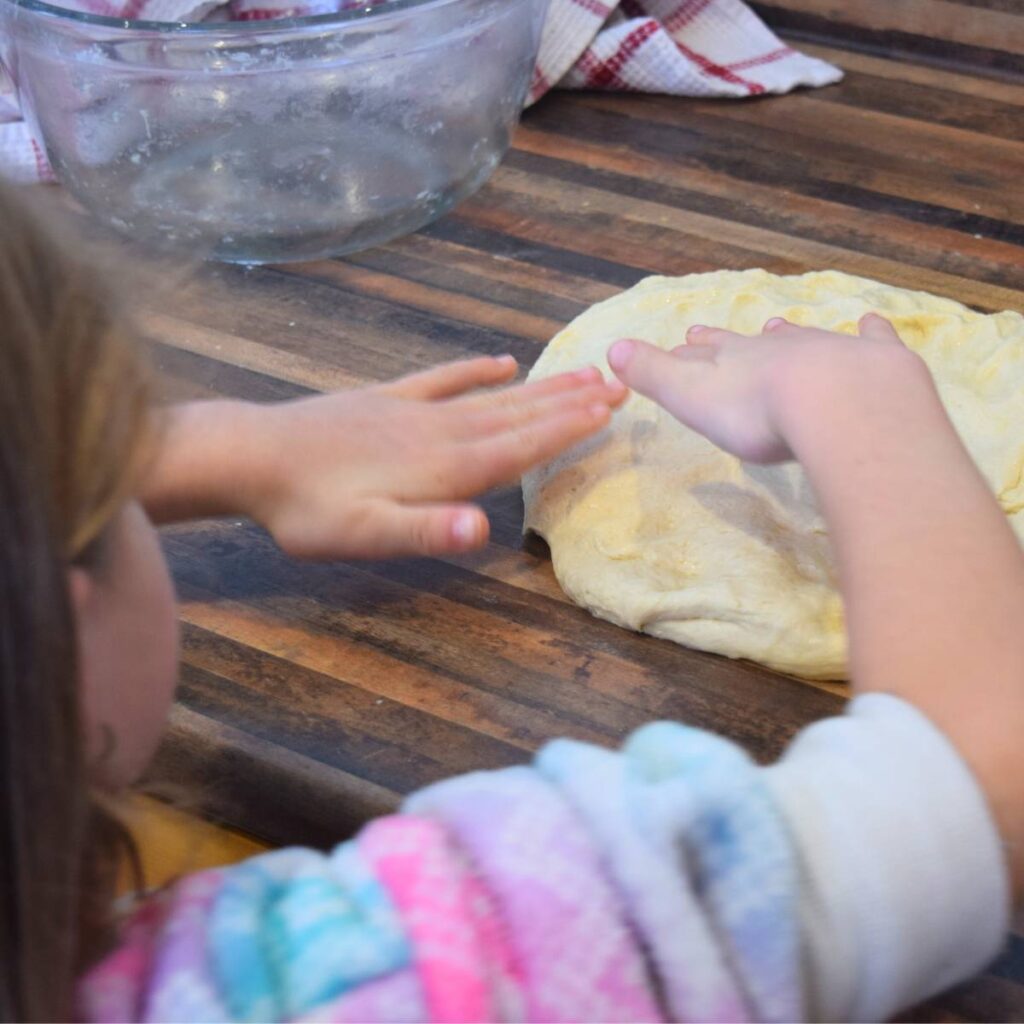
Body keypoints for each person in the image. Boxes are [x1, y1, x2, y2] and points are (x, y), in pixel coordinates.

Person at [1, 180, 1020, 1024]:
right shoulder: (428, 968)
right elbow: (987, 784)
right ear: (67, 613)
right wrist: (862, 402)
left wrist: (207, 452)